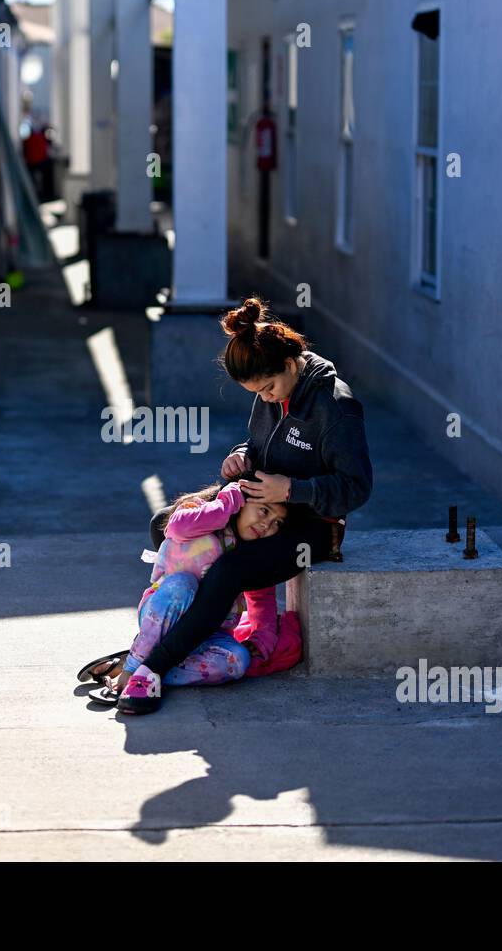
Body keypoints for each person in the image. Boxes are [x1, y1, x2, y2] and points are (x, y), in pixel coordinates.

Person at [132, 296, 374, 712]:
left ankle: (154, 666)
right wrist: (242, 455)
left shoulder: (335, 407)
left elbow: (357, 487)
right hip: (257, 498)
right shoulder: (270, 393)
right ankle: (185, 625)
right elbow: (263, 445)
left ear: (289, 362)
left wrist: (292, 492)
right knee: (164, 522)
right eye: (255, 393)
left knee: (230, 569)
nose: (262, 398)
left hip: (309, 524)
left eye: (267, 388)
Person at [82, 477, 289, 715]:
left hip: (207, 637)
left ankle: (147, 666)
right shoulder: (200, 514)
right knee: (182, 584)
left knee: (237, 661)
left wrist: (261, 641)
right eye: (264, 511)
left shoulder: (253, 556)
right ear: (242, 501)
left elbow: (263, 602)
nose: (267, 524)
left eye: (277, 523)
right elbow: (177, 527)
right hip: (162, 614)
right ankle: (131, 670)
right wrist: (229, 499)